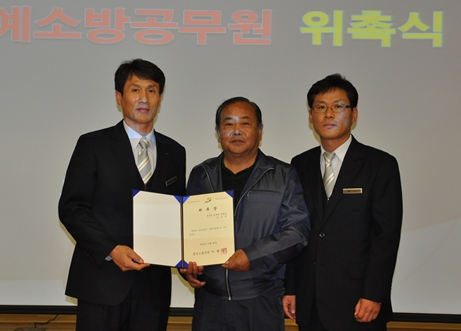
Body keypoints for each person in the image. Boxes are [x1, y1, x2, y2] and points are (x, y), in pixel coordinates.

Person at [58, 59, 186, 331]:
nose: (144, 98)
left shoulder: (175, 152)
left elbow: (178, 214)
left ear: (160, 98)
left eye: (151, 90)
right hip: (102, 283)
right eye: (135, 90)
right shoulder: (93, 145)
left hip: (153, 289)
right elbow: (71, 209)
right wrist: (111, 250)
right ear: (119, 97)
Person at [283, 74, 403, 331]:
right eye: (320, 107)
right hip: (310, 300)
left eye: (338, 106)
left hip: (359, 302)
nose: (329, 114)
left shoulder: (380, 165)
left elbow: (386, 237)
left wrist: (374, 294)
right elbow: (294, 230)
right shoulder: (300, 164)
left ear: (354, 113)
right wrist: (290, 288)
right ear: (310, 115)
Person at [181, 96, 310, 331]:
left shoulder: (282, 175)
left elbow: (297, 231)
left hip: (261, 299)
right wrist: (188, 269)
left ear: (259, 131)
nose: (236, 131)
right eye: (228, 124)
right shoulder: (201, 175)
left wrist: (252, 255)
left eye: (245, 123)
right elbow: (187, 232)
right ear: (218, 132)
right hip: (210, 301)